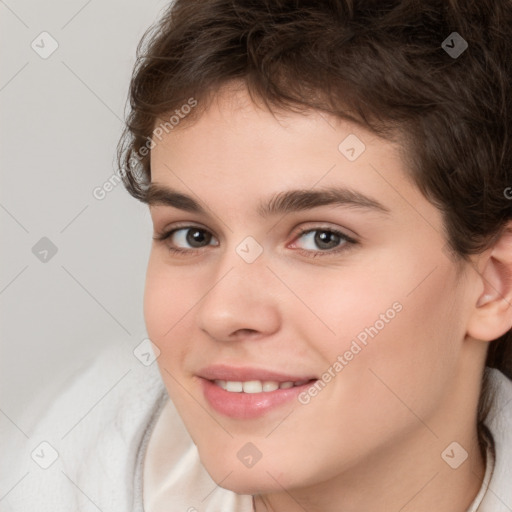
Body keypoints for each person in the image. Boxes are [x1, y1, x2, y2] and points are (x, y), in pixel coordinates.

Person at [5, 1, 512, 511]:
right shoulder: (69, 456)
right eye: (193, 235)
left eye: (322, 238)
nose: (223, 313)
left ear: (494, 284)